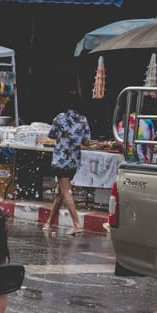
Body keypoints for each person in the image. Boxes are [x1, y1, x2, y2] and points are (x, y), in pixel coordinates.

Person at [48, 91, 90, 236]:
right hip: (73, 161)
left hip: (61, 160)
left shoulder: (60, 118)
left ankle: (77, 224)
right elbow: (86, 141)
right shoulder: (83, 120)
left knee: (66, 192)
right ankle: (49, 223)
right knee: (61, 192)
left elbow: (51, 134)